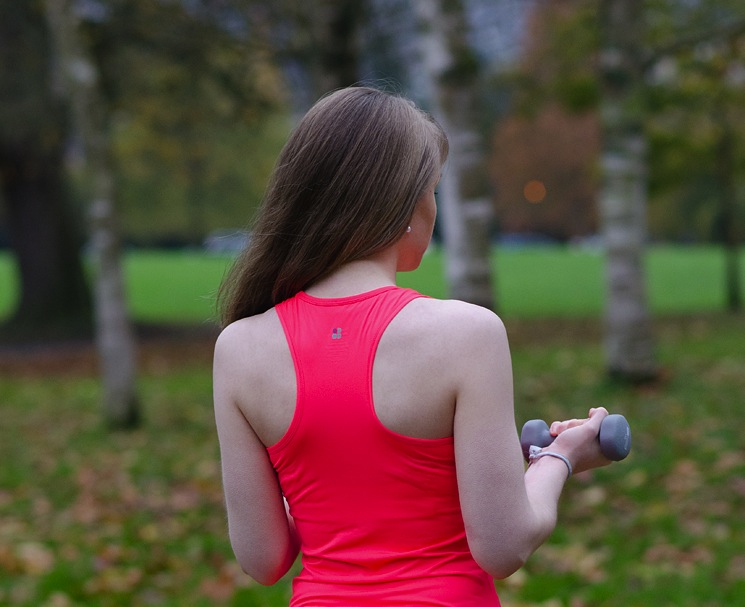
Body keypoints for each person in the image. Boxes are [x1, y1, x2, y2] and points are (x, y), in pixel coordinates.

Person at [213, 86, 611, 606]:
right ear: (404, 203)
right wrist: (560, 456)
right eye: (434, 189)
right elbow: (503, 543)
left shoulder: (239, 348)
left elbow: (262, 558)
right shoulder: (467, 334)